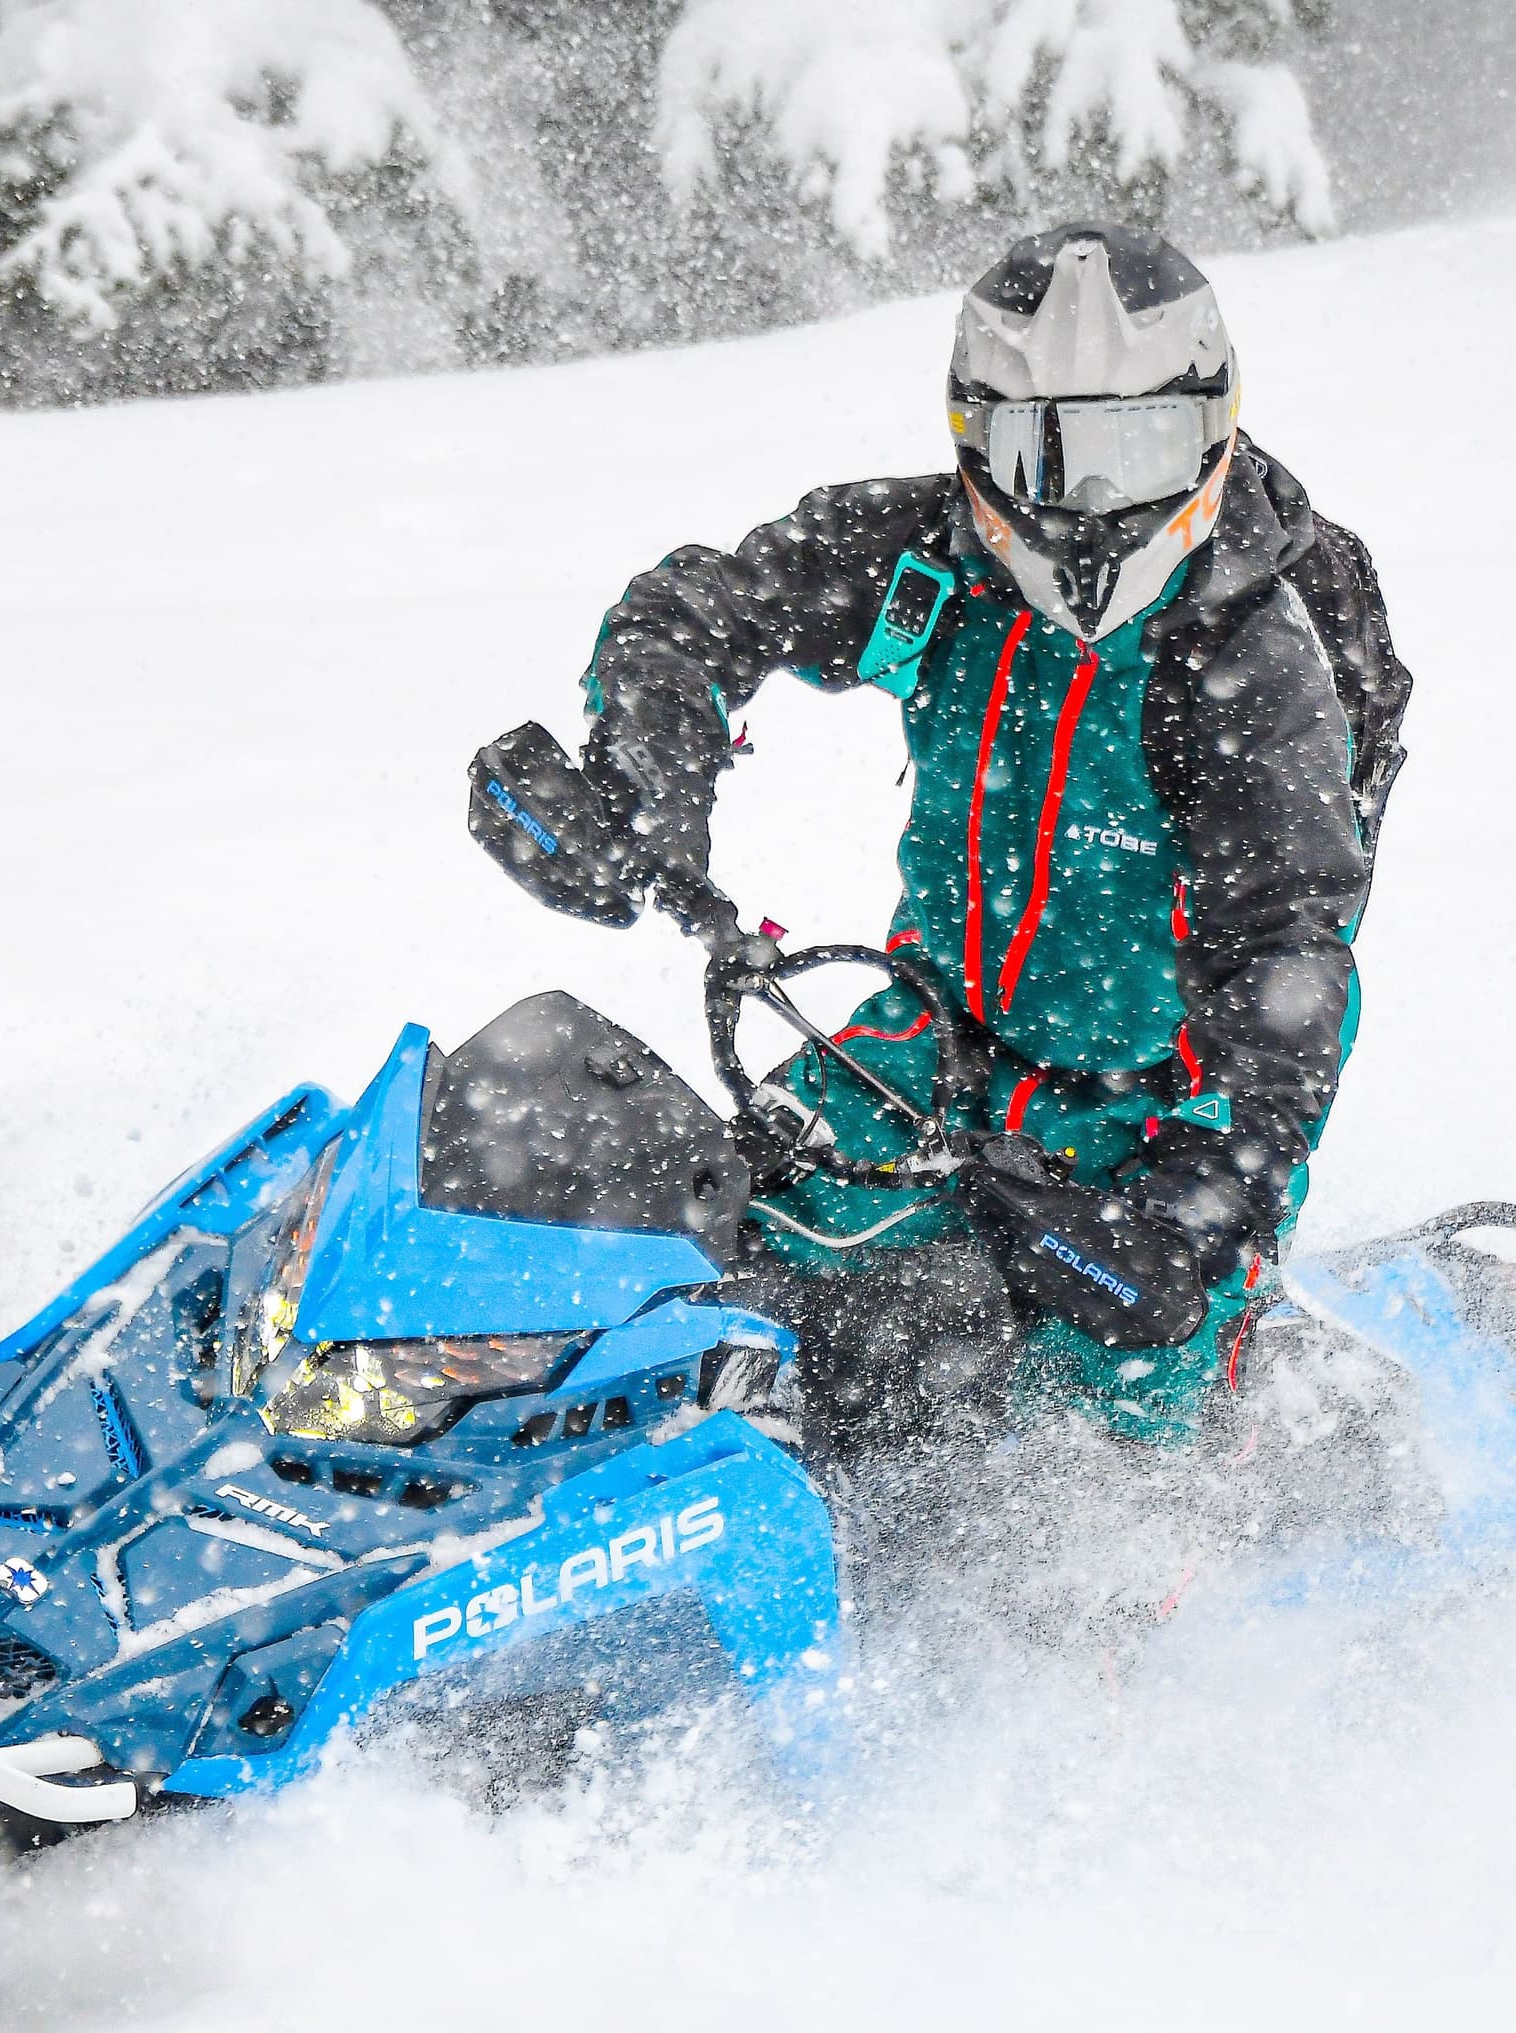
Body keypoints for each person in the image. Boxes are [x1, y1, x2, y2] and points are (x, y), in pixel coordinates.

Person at [466, 224, 1404, 1456]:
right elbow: (696, 613)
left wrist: (1198, 1204)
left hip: (1152, 1130)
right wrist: (645, 778)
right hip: (924, 1051)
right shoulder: (933, 561)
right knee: (678, 1290)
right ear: (972, 439)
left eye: (1139, 453)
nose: (1093, 509)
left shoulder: (1241, 657)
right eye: (1041, 455)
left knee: (1081, 1477)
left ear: (1213, 426)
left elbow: (1290, 952)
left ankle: (1220, 1542)